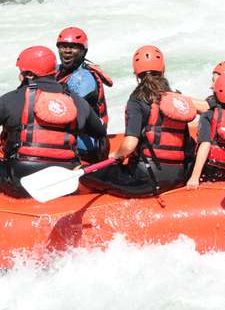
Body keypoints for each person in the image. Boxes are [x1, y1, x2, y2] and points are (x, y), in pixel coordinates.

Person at [0, 46, 106, 198]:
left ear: (29, 75)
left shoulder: (11, 99)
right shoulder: (76, 101)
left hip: (21, 178)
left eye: (21, 71)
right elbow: (100, 133)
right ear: (53, 71)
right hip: (66, 176)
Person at [81, 45, 197, 197]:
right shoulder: (178, 99)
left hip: (148, 179)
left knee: (85, 175)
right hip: (180, 177)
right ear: (163, 69)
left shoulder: (137, 100)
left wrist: (115, 155)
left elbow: (130, 144)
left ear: (135, 72)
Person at [54, 26, 113, 162]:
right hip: (68, 143)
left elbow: (67, 112)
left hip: (86, 149)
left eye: (73, 47)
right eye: (63, 46)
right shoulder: (56, 71)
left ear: (83, 51)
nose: (67, 51)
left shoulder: (84, 78)